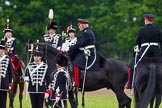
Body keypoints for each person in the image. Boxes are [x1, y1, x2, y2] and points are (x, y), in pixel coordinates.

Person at [126, 13, 162, 89]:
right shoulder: (158, 29)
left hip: (144, 52)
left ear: (145, 20)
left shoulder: (141, 30)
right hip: (156, 52)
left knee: (132, 66)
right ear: (152, 21)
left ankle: (130, 85)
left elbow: (137, 43)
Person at [67, 18, 98, 87]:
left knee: (76, 63)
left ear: (83, 26)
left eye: (79, 25)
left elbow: (79, 44)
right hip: (84, 51)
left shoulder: (86, 33)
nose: (78, 27)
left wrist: (69, 49)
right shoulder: (85, 32)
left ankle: (76, 82)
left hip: (88, 52)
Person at [0, 40, 13, 108]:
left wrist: (10, 82)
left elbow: (10, 71)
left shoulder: (7, 58)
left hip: (4, 83)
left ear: (3, 50)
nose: (0, 50)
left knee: (3, 101)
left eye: (1, 49)